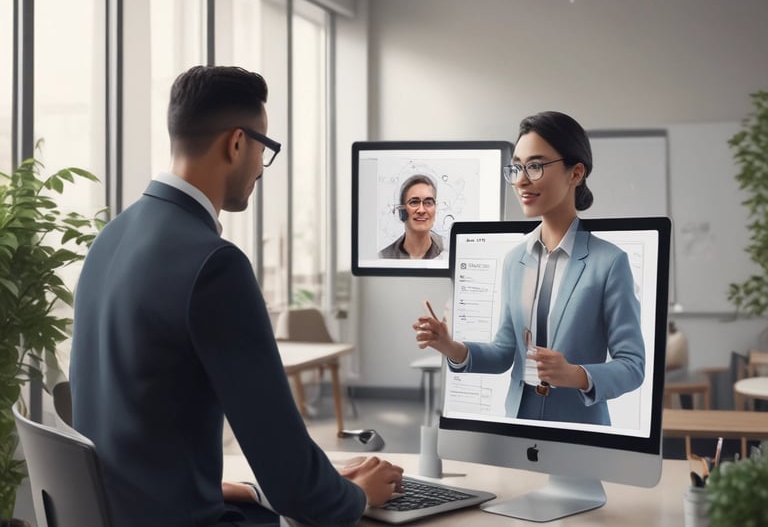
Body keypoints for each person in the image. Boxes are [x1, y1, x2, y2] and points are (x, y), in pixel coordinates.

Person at [69, 65, 403, 527]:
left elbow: (133, 421)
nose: (260, 168)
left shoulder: (110, 238)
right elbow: (292, 482)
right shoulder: (213, 265)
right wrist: (354, 495)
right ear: (237, 142)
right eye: (264, 148)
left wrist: (238, 488)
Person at [412, 111, 645, 425]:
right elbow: (504, 352)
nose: (521, 179)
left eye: (535, 166)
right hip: (520, 422)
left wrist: (576, 374)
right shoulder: (515, 260)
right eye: (517, 167)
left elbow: (632, 367)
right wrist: (450, 346)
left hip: (581, 429)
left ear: (575, 173)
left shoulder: (609, 262)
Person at [378, 174, 444, 259]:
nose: (421, 210)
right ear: (402, 210)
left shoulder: (448, 250)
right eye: (414, 202)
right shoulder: (384, 256)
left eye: (428, 203)